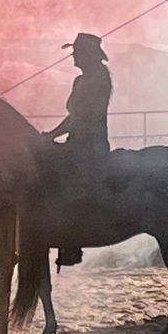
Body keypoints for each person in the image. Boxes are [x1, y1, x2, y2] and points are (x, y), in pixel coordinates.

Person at [44, 32, 113, 268]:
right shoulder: (82, 81)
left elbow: (82, 117)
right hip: (76, 142)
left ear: (87, 55)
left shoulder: (99, 79)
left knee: (69, 185)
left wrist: (52, 135)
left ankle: (72, 239)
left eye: (77, 52)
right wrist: (53, 135)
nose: (74, 57)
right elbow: (74, 117)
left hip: (90, 145)